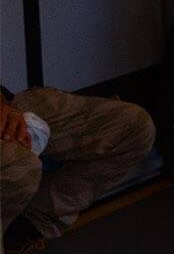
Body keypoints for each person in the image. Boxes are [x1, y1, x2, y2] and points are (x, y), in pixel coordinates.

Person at [1, 86, 156, 250]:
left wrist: (6, 109)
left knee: (133, 126)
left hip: (12, 105)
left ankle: (24, 230)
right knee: (21, 166)